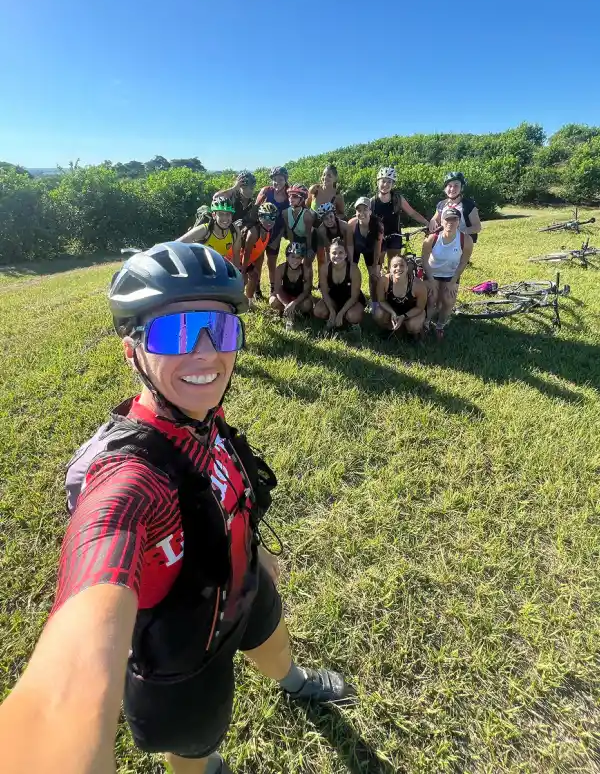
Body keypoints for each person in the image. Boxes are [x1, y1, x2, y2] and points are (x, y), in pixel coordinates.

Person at [0, 243, 354, 774]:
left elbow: (224, 495)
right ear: (132, 352)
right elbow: (63, 692)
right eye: (176, 332)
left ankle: (293, 682)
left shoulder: (202, 419)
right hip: (183, 658)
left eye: (222, 329)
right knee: (194, 746)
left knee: (271, 635)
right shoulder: (130, 479)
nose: (208, 353)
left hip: (242, 589)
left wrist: (254, 559)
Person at [421, 206, 474, 339]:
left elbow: (463, 262)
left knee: (448, 300)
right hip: (432, 272)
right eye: (447, 219)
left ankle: (440, 325)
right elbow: (424, 261)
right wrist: (432, 281)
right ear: (442, 221)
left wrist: (452, 282)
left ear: (459, 222)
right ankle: (426, 323)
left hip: (451, 274)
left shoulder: (466, 240)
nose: (450, 223)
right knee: (431, 298)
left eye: (454, 220)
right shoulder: (431, 239)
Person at [371, 167, 429, 265]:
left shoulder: (397, 199)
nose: (385, 184)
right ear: (377, 182)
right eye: (383, 181)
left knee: (394, 265)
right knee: (377, 266)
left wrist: (427, 223)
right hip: (378, 236)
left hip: (395, 235)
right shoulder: (372, 202)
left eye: (389, 182)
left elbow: (412, 213)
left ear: (393, 184)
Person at [314, 237, 365, 332]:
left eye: (340, 253)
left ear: (346, 254)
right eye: (334, 253)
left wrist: (341, 313)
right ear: (329, 254)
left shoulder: (353, 269)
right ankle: (333, 316)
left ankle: (347, 320)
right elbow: (324, 293)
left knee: (353, 316)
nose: (337, 256)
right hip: (333, 298)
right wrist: (332, 311)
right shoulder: (324, 268)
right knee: (318, 311)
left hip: (351, 299)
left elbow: (354, 296)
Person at [255, 166, 290, 296]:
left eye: (280, 179)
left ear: (285, 180)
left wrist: (279, 237)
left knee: (271, 262)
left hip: (277, 232)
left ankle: (273, 289)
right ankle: (257, 288)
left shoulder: (288, 195)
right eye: (275, 179)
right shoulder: (266, 191)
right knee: (258, 260)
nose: (277, 182)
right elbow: (255, 210)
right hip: (262, 231)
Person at [178, 197, 242, 269]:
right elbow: (177, 244)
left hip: (217, 266)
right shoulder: (204, 230)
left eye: (228, 214)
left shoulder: (235, 231)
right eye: (221, 214)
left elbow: (236, 256)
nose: (225, 218)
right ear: (214, 215)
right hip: (198, 267)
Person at [372, 253, 427, 336]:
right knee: (378, 314)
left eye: (402, 265)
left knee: (413, 325)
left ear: (407, 268)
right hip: (393, 310)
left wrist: (404, 316)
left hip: (412, 312)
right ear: (390, 269)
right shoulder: (384, 281)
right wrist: (392, 313)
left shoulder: (418, 285)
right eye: (395, 266)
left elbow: (420, 307)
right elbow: (381, 300)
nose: (398, 268)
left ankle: (416, 333)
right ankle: (392, 330)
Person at [347, 197, 384, 308]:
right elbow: (349, 244)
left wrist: (374, 266)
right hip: (356, 248)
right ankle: (357, 298)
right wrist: (351, 263)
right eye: (359, 210)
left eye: (365, 209)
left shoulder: (378, 225)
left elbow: (378, 248)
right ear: (355, 212)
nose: (362, 213)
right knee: (350, 274)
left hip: (371, 250)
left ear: (370, 211)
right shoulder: (352, 224)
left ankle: (374, 303)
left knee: (375, 276)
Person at [270, 242, 314, 330]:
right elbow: (278, 289)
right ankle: (287, 310)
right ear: (287, 257)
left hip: (299, 298)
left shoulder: (306, 270)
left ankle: (294, 311)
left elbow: (306, 291)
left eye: (298, 257)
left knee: (308, 304)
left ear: (302, 258)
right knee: (272, 301)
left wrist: (294, 303)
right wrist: (286, 304)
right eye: (292, 256)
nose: (295, 260)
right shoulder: (280, 268)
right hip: (285, 295)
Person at [240, 202, 278, 305]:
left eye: (272, 218)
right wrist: (243, 272)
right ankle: (236, 302)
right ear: (259, 217)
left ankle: (249, 302)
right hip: (237, 258)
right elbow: (246, 254)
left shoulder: (268, 231)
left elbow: (259, 253)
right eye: (265, 217)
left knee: (254, 276)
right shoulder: (253, 233)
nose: (269, 221)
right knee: (242, 280)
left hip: (245, 259)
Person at [429, 171, 482, 243]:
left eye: (456, 185)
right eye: (449, 186)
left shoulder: (468, 205)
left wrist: (457, 232)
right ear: (445, 188)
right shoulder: (441, 205)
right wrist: (433, 223)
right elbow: (435, 220)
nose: (452, 189)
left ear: (461, 188)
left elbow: (477, 227)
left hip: (463, 243)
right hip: (443, 242)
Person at [283, 184, 315, 260]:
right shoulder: (285, 213)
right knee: (293, 259)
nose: (291, 198)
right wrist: (292, 244)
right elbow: (289, 231)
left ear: (302, 199)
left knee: (307, 263)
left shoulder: (307, 215)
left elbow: (308, 234)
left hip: (310, 238)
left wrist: (309, 248)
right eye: (289, 196)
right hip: (297, 237)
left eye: (294, 196)